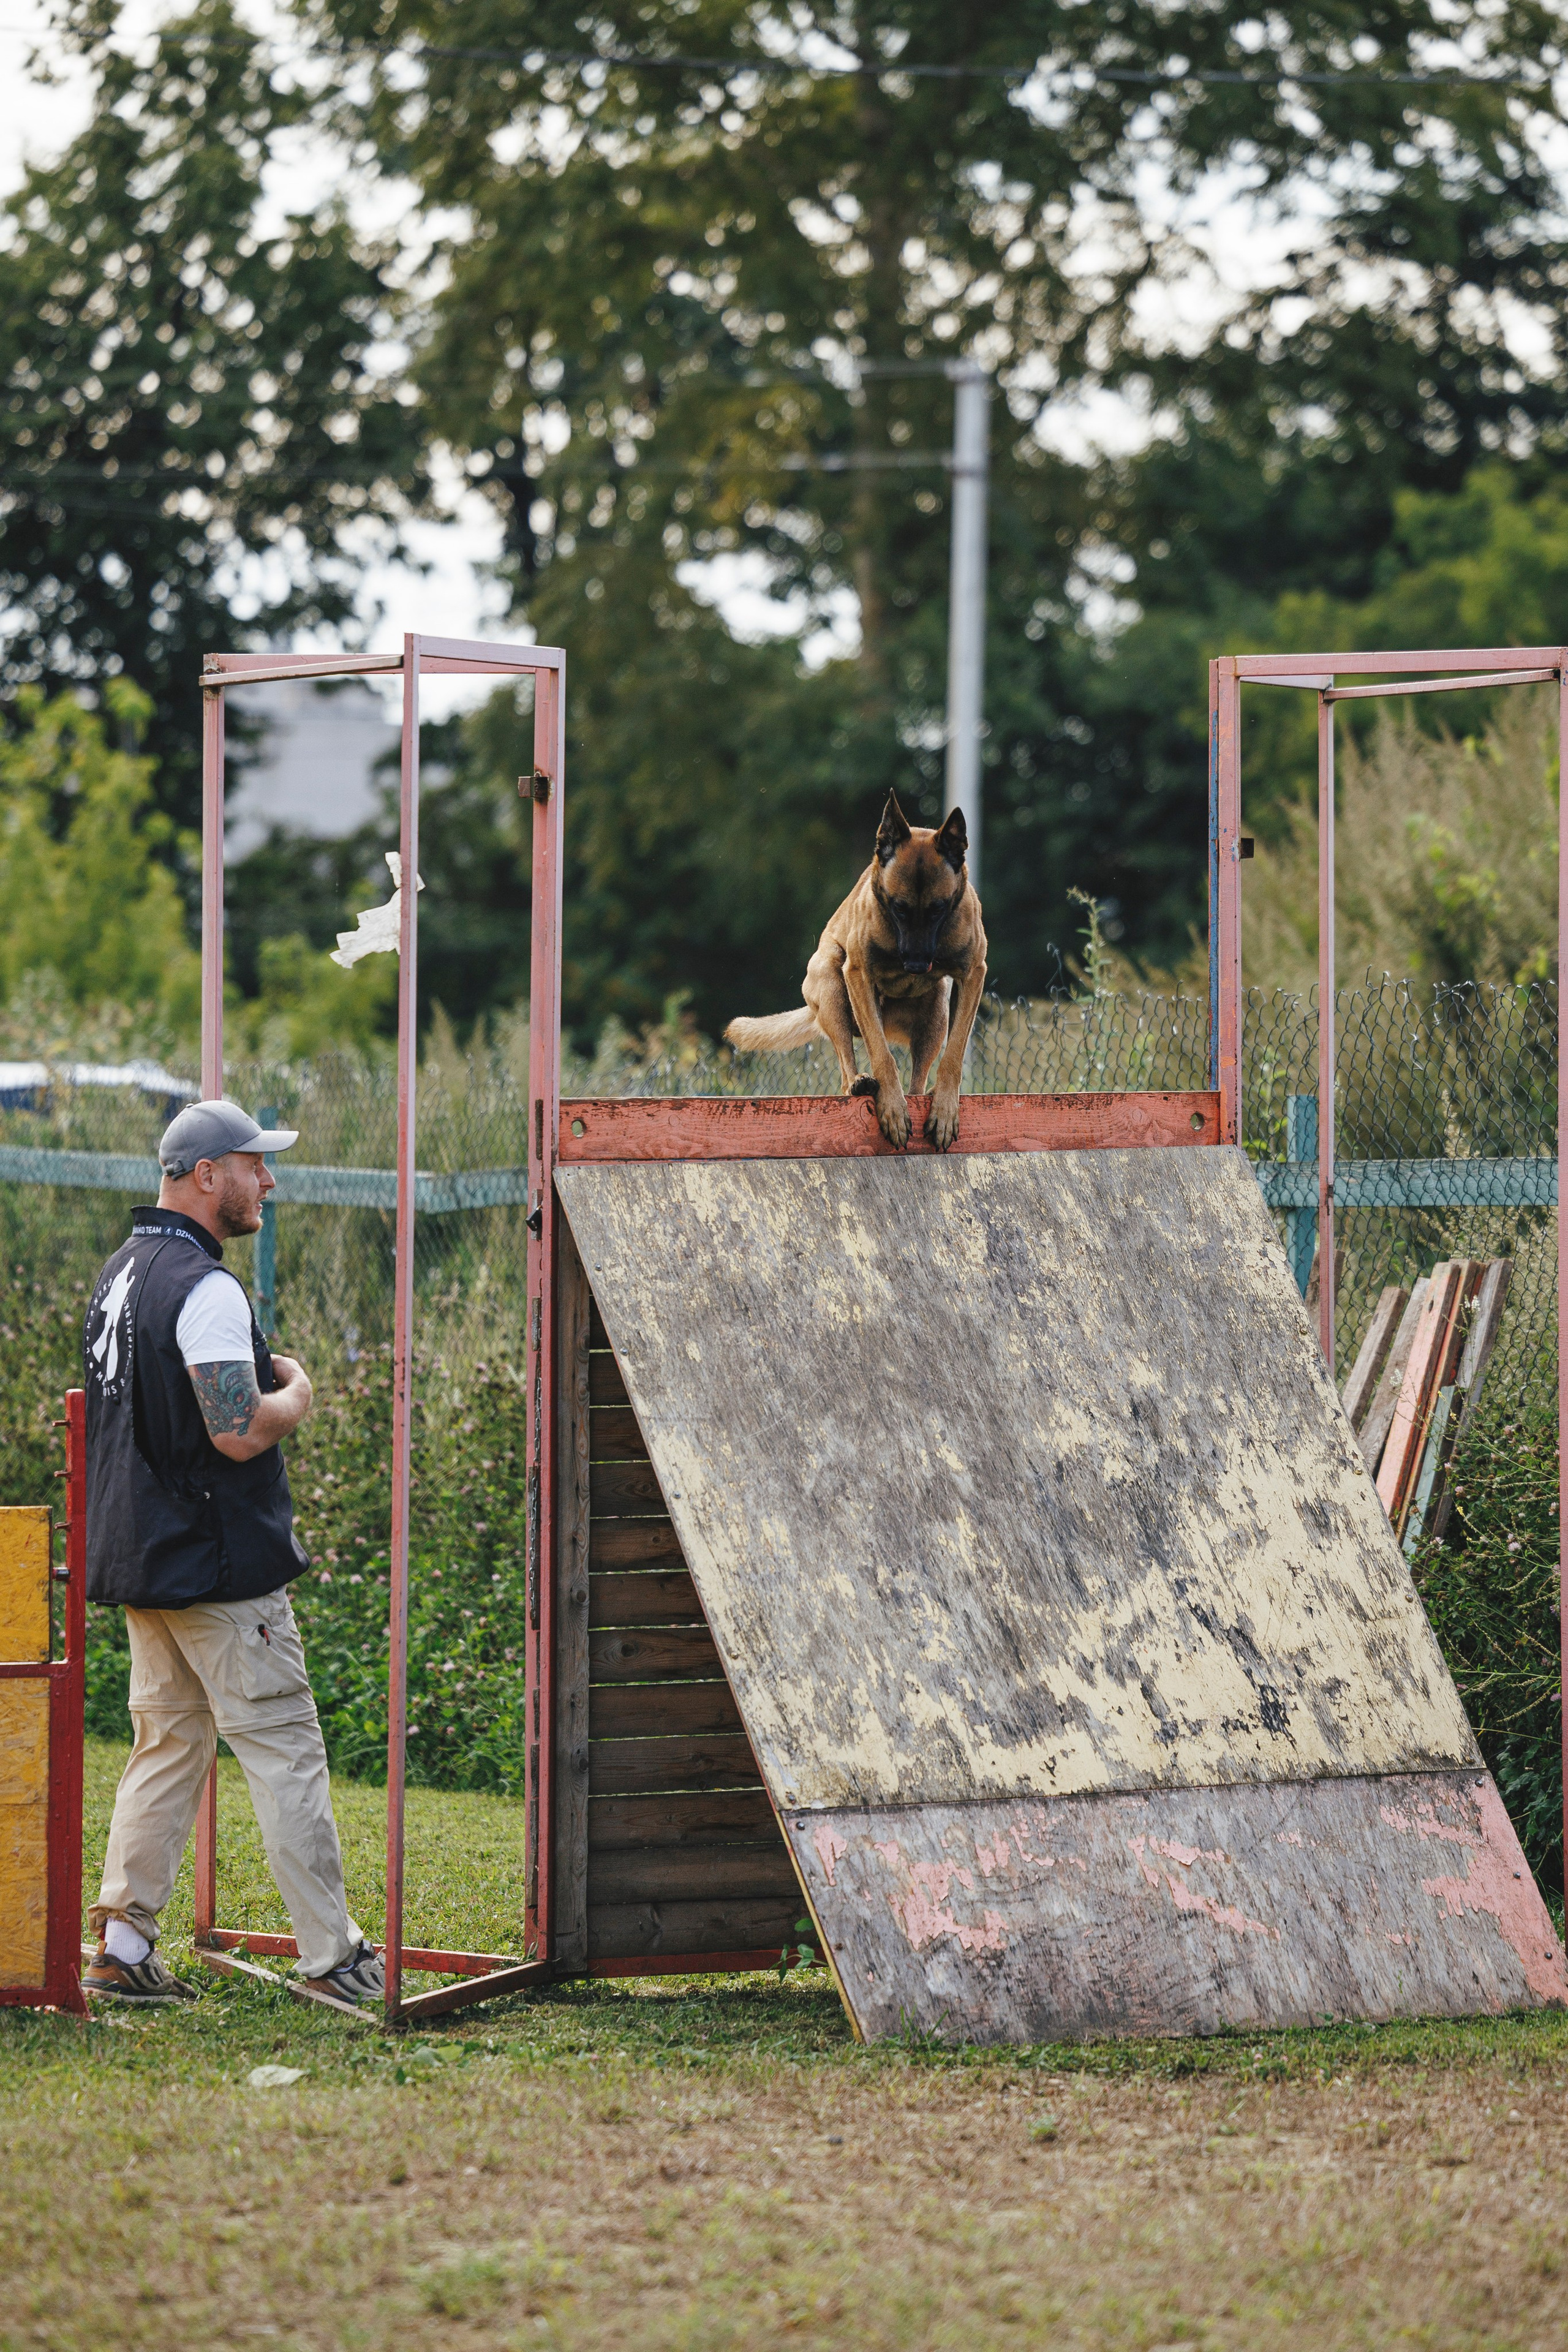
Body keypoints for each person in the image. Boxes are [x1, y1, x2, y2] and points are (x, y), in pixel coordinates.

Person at [79, 1099, 384, 2011]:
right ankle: (334, 1960)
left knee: (167, 1747)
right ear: (208, 1175)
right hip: (217, 1569)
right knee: (284, 1746)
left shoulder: (121, 1274)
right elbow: (240, 1430)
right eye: (256, 1164)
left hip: (144, 1557)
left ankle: (124, 1946)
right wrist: (297, 1390)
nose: (270, 1181)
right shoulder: (207, 1289)